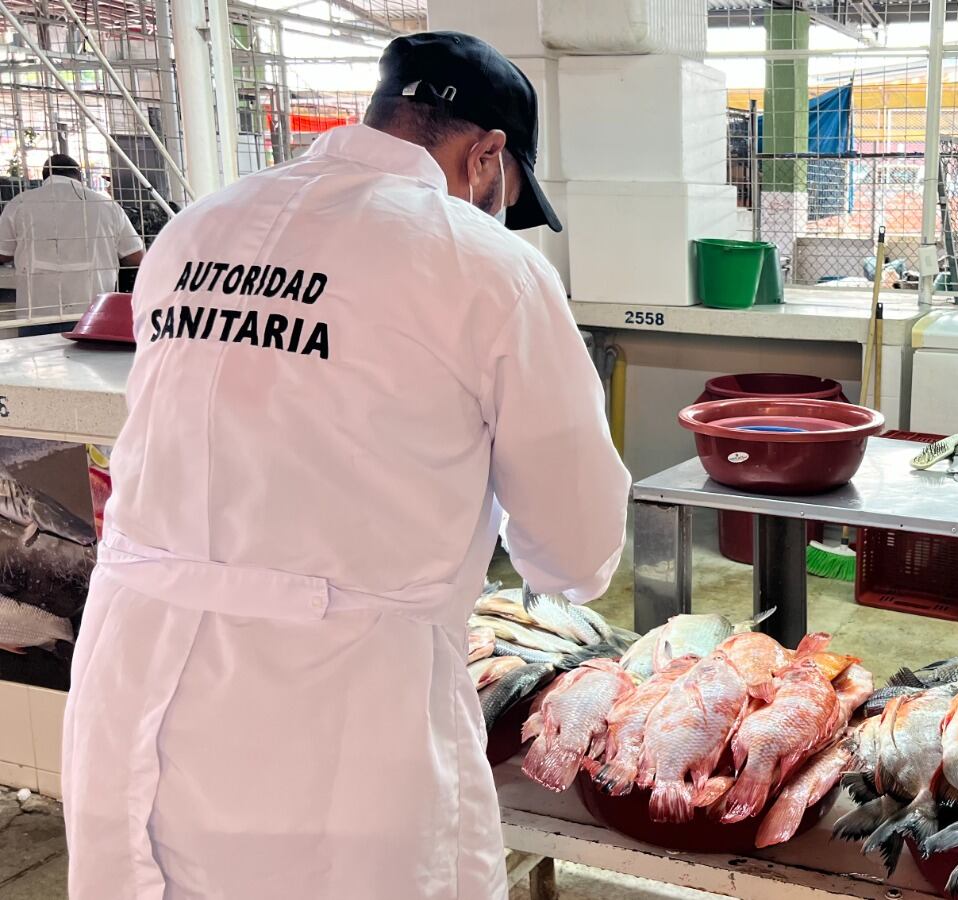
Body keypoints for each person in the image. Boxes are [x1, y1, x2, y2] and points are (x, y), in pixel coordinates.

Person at [62, 31, 630, 900]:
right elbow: (576, 545)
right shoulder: (487, 267)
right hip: (336, 706)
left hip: (134, 678)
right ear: (486, 156)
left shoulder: (196, 228)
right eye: (505, 197)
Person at [0, 153, 144, 317]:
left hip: (36, 312)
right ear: (79, 176)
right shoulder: (107, 206)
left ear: (45, 176)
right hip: (94, 311)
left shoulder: (20, 203)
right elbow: (135, 257)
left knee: (38, 343)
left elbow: (3, 253)